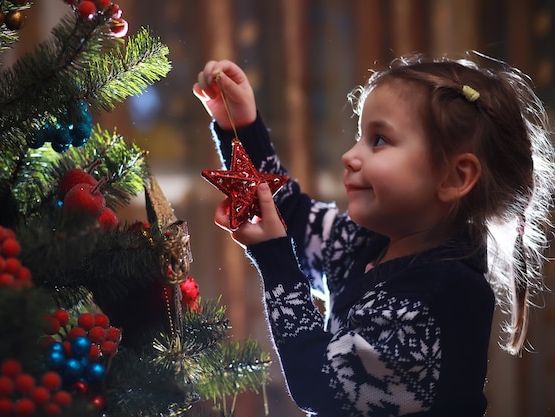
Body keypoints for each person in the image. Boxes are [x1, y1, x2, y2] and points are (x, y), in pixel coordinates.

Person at [192, 53, 555, 416]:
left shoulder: (443, 293)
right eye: (359, 137)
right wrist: (239, 125)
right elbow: (294, 221)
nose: (349, 156)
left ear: (454, 178)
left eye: (378, 140)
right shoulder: (366, 243)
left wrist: (274, 259)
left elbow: (320, 383)